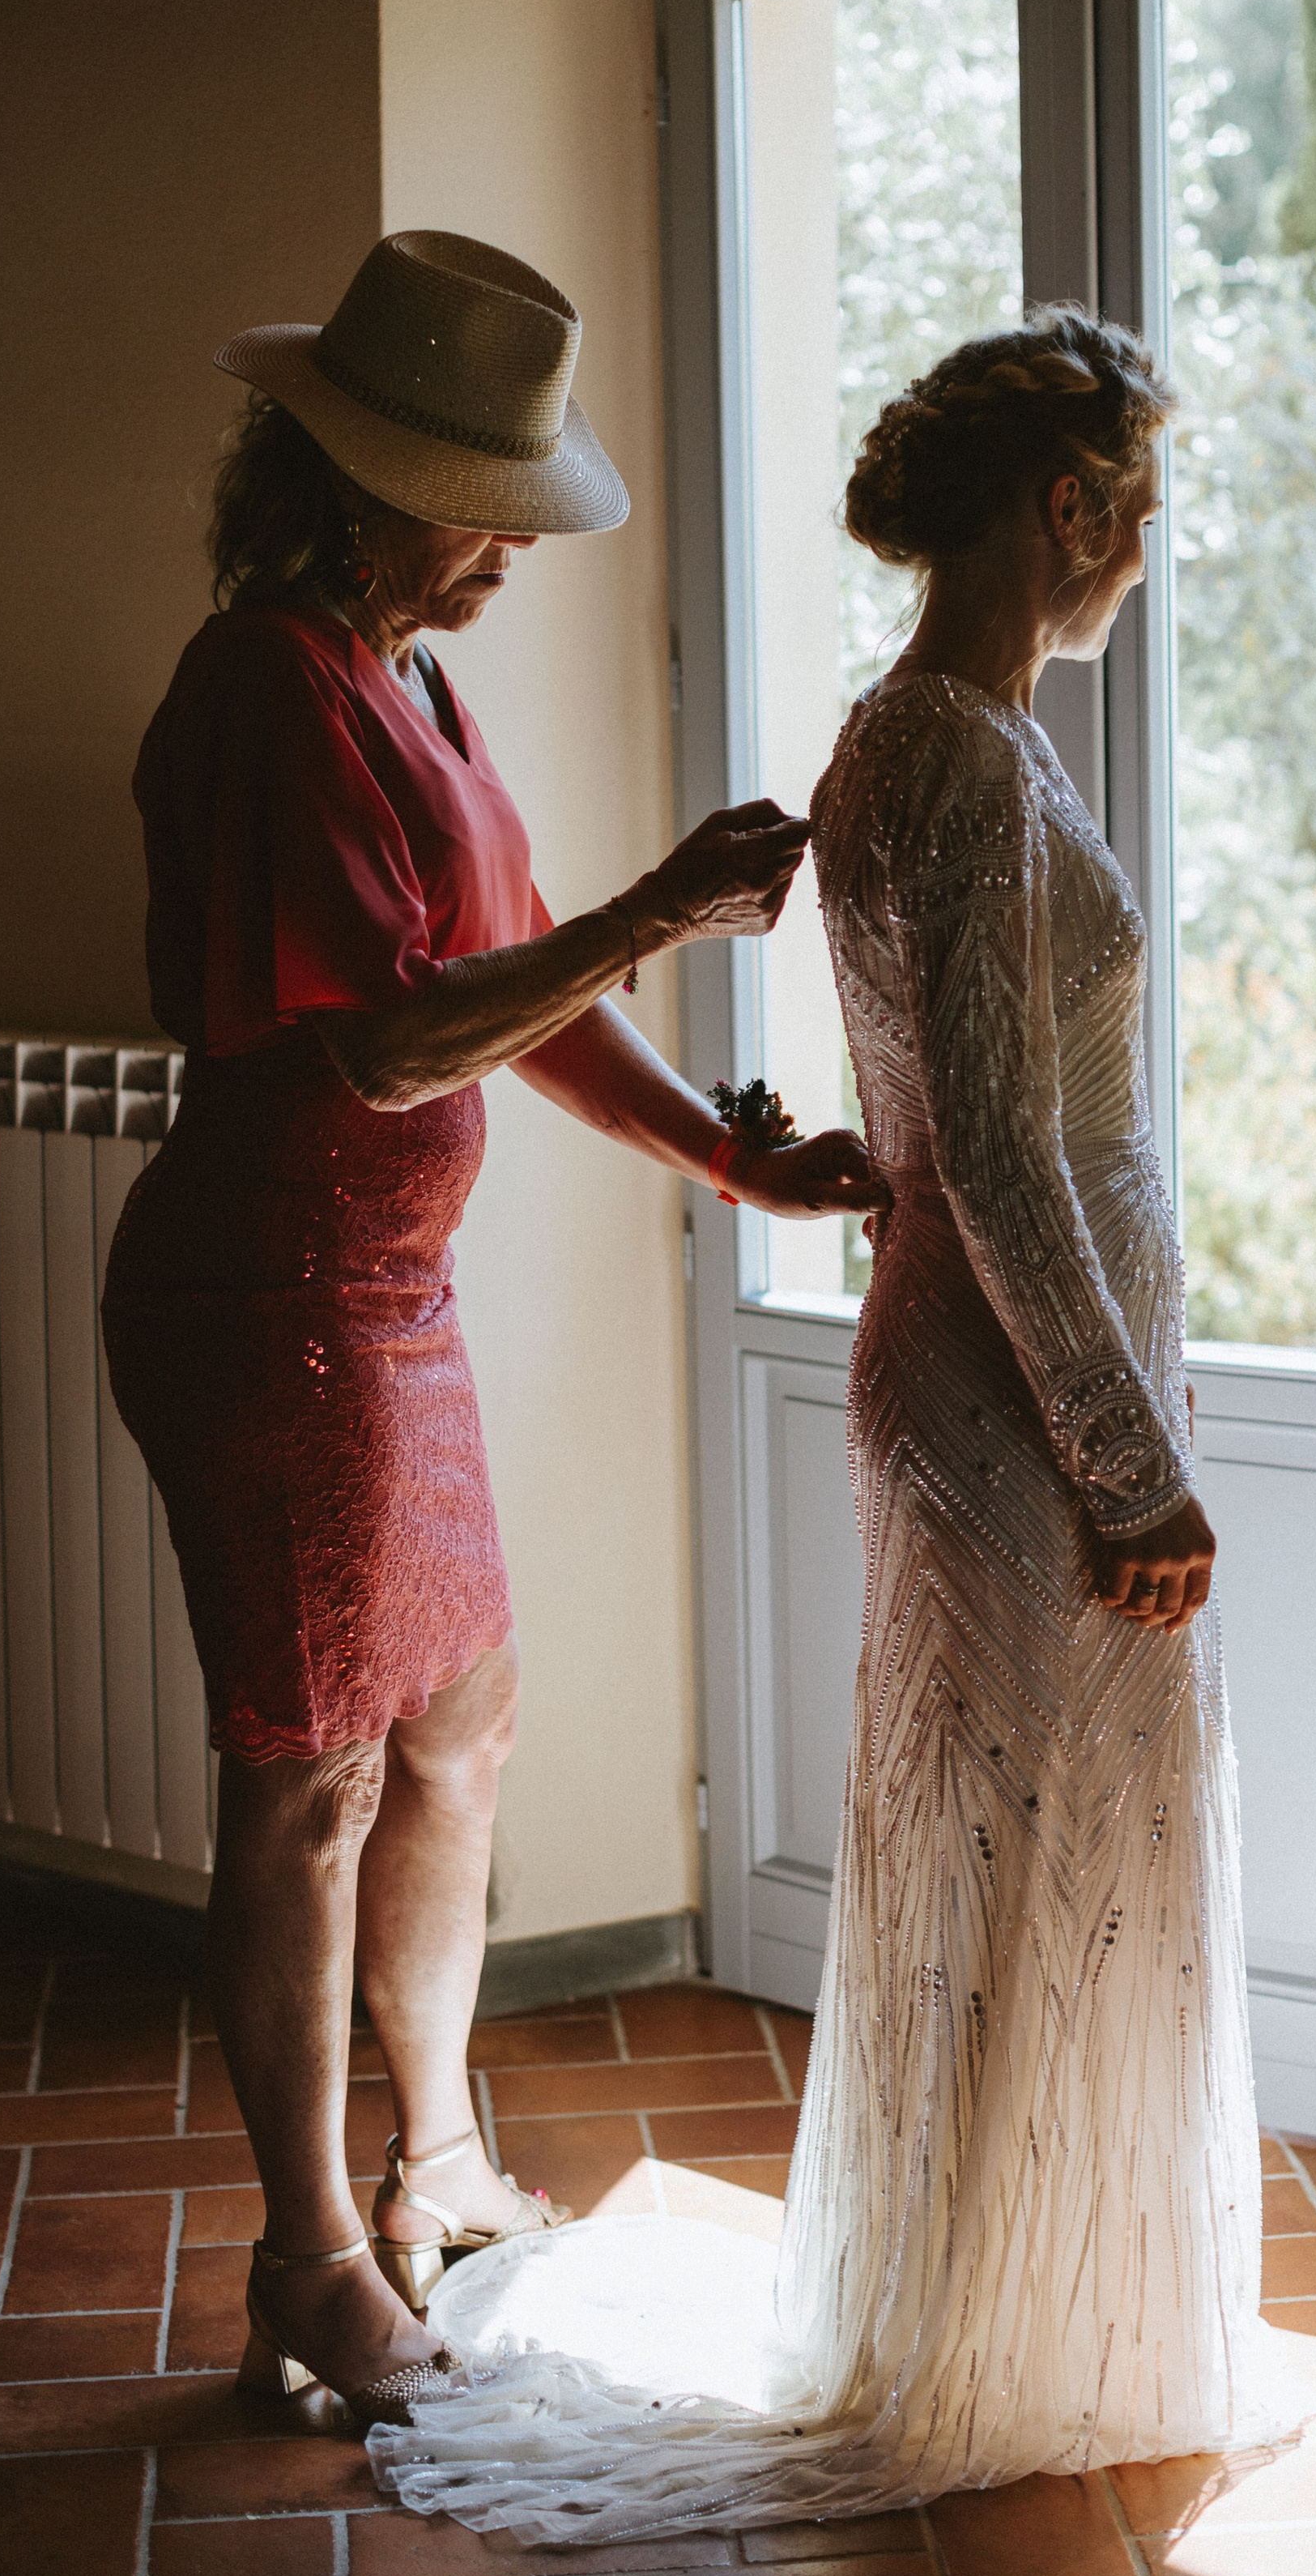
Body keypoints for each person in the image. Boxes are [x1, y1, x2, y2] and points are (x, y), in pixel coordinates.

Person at [372, 305, 1315, 2540]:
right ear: (1068, 509)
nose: (1141, 569)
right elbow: (993, 1151)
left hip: (982, 1371)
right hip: (1010, 1400)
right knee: (1041, 1847)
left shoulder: (927, 735)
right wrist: (1125, 1455)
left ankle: (1032, 2311)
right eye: (1137, 520)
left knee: (1039, 1857)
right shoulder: (962, 758)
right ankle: (1011, 2330)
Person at [100, 231, 884, 2433]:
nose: (506, 566)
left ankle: (434, 2160)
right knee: (313, 1778)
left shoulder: (412, 684)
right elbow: (378, 1050)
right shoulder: (264, 683)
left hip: (389, 1315)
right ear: (351, 482)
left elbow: (518, 981)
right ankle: (307, 2262)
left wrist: (736, 1163)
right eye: (479, 514)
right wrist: (660, 905)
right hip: (273, 1315)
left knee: (462, 1731)